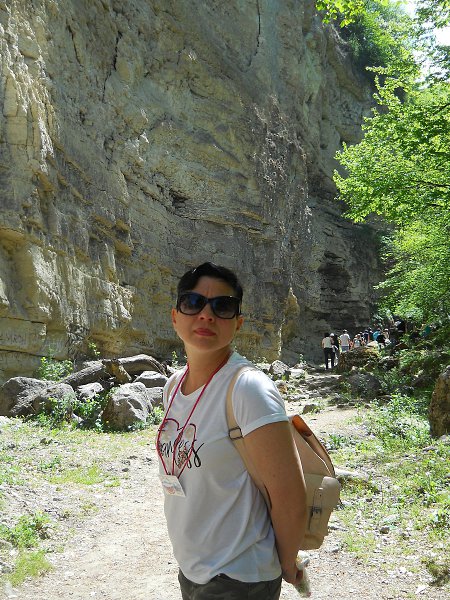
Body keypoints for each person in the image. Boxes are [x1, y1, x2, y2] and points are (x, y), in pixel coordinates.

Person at [157, 262, 307, 600]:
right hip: (192, 568)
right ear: (175, 316)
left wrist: (286, 562)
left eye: (222, 306)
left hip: (239, 575)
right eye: (193, 302)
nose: (206, 315)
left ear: (238, 323)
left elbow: (289, 494)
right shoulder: (173, 386)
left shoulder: (248, 388)